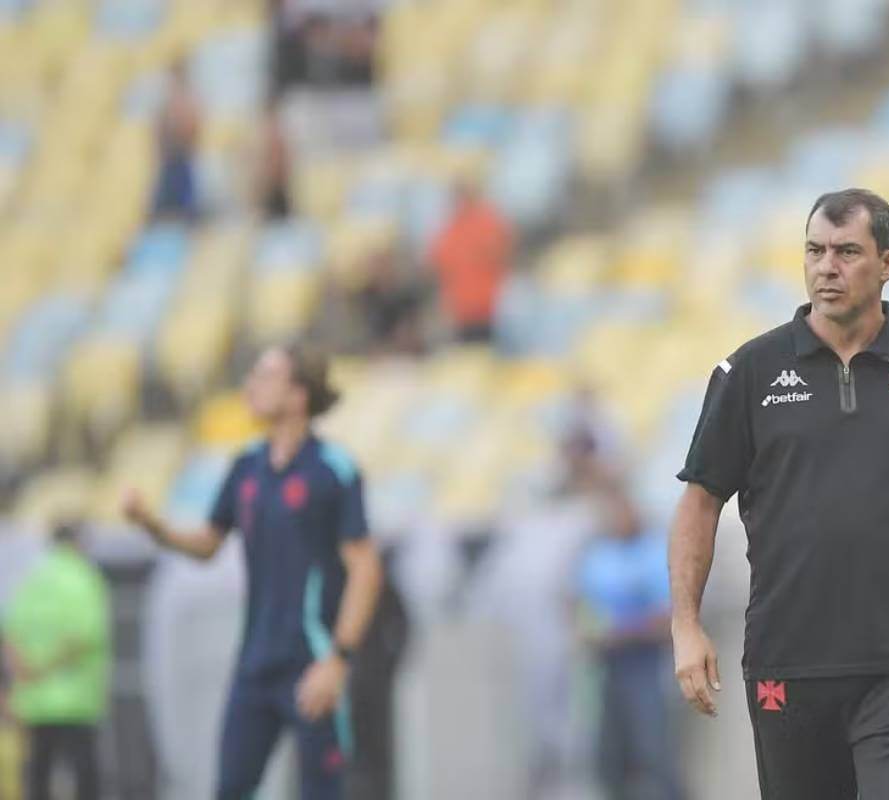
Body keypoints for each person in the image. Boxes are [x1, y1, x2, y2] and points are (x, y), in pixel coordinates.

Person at [669, 188, 889, 799]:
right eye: (815, 250)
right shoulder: (751, 372)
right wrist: (686, 624)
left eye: (848, 251)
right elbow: (700, 500)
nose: (828, 267)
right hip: (788, 664)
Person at [121, 343, 384, 800]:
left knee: (322, 793)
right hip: (255, 664)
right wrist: (153, 525)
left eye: (266, 376)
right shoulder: (246, 467)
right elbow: (208, 544)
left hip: (312, 662)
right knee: (231, 788)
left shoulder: (333, 470)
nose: (251, 385)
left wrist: (338, 660)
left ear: (299, 394)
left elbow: (365, 569)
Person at [576, 482, 683, 800]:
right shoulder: (598, 554)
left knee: (654, 754)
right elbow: (580, 605)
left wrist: (621, 633)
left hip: (645, 666)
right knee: (608, 759)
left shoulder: (653, 553)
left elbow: (670, 618)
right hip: (605, 668)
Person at [2, 521, 111, 800]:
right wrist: (45, 668)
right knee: (84, 775)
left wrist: (24, 670)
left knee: (38, 775)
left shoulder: (31, 577)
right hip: (76, 701)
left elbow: (9, 629)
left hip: (35, 701)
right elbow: (85, 635)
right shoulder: (83, 575)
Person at [428, 180, 513, 343]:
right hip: (461, 311)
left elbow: (502, 255)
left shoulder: (489, 223)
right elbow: (437, 268)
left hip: (491, 309)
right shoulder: (449, 229)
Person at [150, 61, 201, 222]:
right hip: (169, 163)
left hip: (182, 162)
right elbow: (158, 134)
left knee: (185, 211)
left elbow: (191, 132)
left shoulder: (190, 100)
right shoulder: (165, 102)